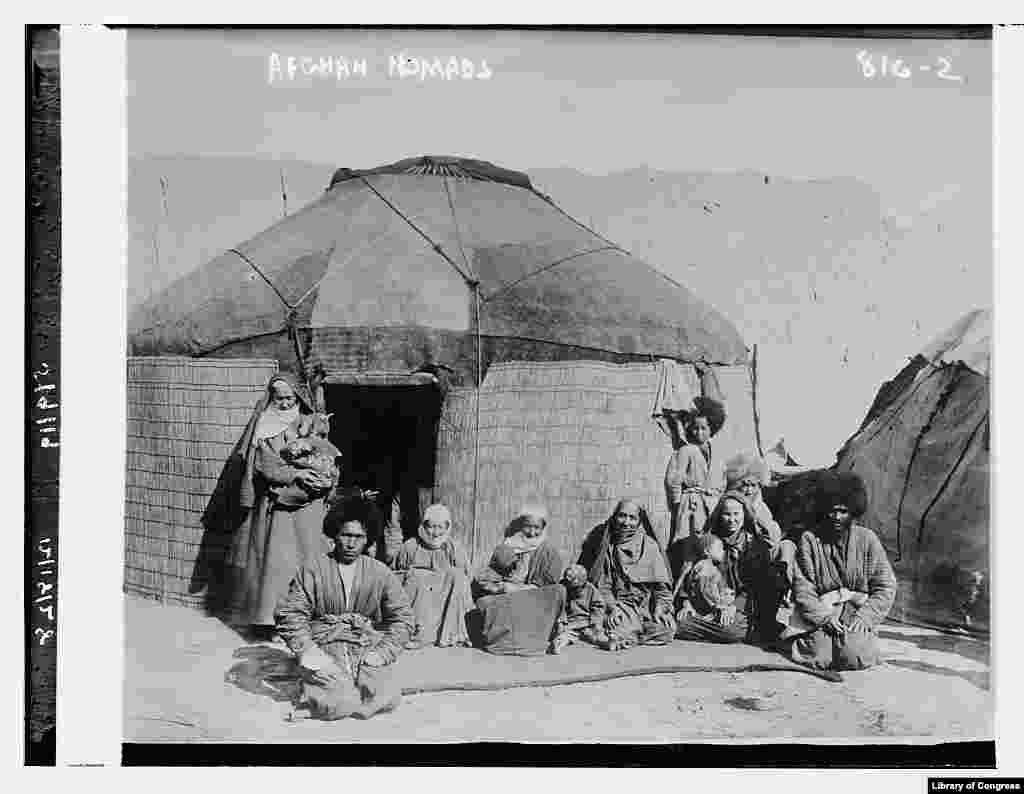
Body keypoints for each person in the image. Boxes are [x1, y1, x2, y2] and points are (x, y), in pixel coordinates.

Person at [219, 373, 339, 639]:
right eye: (279, 398)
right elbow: (264, 464)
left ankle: (308, 618)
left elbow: (326, 452)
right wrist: (295, 475)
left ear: (297, 397)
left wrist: (321, 475)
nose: (284, 403)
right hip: (278, 505)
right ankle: (274, 622)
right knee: (278, 563)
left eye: (289, 398)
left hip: (309, 506)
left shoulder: (309, 421)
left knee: (309, 558)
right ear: (271, 398)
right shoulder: (265, 424)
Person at [275, 502, 414, 720]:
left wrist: (382, 653)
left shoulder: (380, 572)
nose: (351, 543)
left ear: (368, 538)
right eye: (345, 535)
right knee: (340, 701)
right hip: (324, 645)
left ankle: (336, 693)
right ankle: (320, 699)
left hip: (364, 646)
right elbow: (291, 615)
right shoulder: (313, 569)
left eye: (358, 537)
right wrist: (309, 651)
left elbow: (404, 619)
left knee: (388, 696)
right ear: (334, 535)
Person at [785, 472, 897, 671]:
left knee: (853, 658)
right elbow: (803, 589)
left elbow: (886, 586)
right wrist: (824, 618)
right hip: (821, 611)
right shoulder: (810, 540)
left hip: (855, 611)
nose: (836, 517)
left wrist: (865, 617)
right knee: (819, 658)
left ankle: (859, 642)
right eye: (832, 510)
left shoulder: (867, 539)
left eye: (843, 511)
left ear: (853, 512)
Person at [578, 499, 676, 650]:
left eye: (632, 518)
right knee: (619, 625)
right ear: (615, 517)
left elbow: (662, 588)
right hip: (620, 604)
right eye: (622, 516)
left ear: (639, 521)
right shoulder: (609, 547)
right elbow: (603, 586)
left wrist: (660, 607)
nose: (626, 522)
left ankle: (624, 636)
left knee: (667, 630)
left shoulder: (649, 546)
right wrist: (612, 607)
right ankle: (618, 633)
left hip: (646, 606)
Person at [470, 506, 566, 656]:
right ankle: (508, 642)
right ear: (521, 526)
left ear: (543, 527)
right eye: (528, 526)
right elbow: (490, 575)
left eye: (537, 527)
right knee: (485, 602)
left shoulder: (549, 551)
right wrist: (499, 585)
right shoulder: (508, 546)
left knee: (558, 591)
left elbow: (547, 586)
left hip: (534, 597)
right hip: (509, 595)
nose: (532, 532)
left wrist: (515, 589)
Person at [674, 491, 766, 643]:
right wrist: (687, 604)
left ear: (744, 515)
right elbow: (691, 575)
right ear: (719, 515)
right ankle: (713, 629)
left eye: (736, 514)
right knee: (680, 621)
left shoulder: (754, 545)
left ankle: (712, 630)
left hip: (738, 605)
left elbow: (755, 586)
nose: (732, 520)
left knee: (733, 630)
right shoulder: (709, 541)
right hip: (707, 602)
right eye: (727, 514)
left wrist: (734, 607)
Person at [391, 503, 473, 649]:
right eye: (431, 526)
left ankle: (450, 634)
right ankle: (416, 634)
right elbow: (396, 575)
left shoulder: (453, 547)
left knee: (457, 575)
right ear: (424, 525)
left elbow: (466, 577)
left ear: (447, 527)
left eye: (440, 527)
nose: (435, 532)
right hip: (420, 595)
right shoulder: (411, 546)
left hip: (445, 595)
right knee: (416, 578)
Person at [664, 397, 726, 578]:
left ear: (711, 429)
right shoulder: (686, 450)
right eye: (695, 428)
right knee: (691, 549)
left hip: (712, 506)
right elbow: (674, 478)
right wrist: (677, 504)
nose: (699, 432)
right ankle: (684, 594)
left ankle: (708, 588)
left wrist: (717, 497)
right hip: (692, 506)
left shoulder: (718, 454)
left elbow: (722, 481)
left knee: (711, 547)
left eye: (703, 428)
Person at [549, 564, 608, 654]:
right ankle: (557, 644)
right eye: (571, 587)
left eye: (577, 588)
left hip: (586, 623)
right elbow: (560, 607)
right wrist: (561, 622)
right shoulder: (562, 588)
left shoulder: (590, 589)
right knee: (563, 636)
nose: (574, 590)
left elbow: (598, 607)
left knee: (597, 635)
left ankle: (606, 642)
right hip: (570, 624)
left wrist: (596, 623)